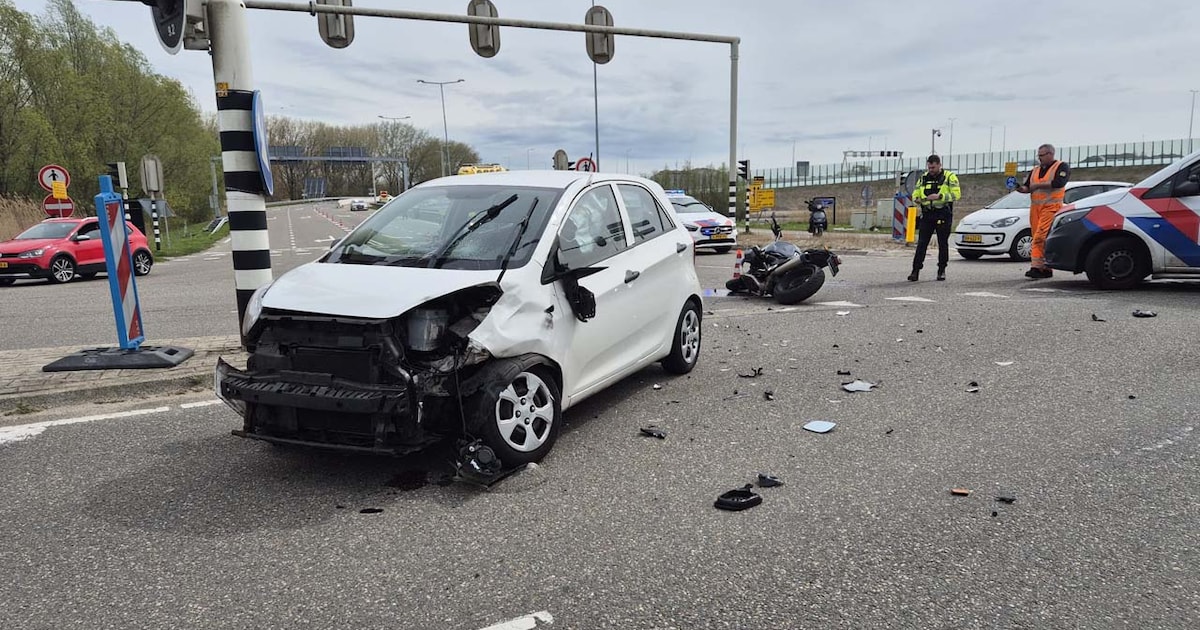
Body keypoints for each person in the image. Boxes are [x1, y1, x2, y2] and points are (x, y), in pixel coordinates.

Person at [1016, 144, 1070, 278]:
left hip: (1051, 207)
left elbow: (1059, 183)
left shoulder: (1061, 166)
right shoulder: (1035, 170)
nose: (1039, 158)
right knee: (1036, 237)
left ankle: (1037, 268)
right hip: (1036, 208)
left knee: (1041, 236)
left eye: (1042, 155)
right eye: (1038, 156)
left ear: (1050, 154)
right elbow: (1027, 187)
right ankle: (1044, 267)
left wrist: (1038, 185)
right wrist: (1017, 187)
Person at [908, 155, 961, 281]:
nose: (931, 170)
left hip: (943, 213)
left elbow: (956, 194)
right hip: (927, 214)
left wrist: (940, 196)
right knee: (921, 244)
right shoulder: (923, 178)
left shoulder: (949, 177)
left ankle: (941, 270)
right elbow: (916, 192)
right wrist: (917, 199)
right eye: (929, 167)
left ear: (939, 165)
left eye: (933, 167)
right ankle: (915, 271)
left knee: (942, 244)